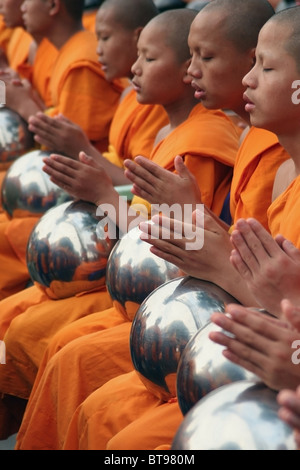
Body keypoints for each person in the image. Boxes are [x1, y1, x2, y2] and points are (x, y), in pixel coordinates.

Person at [12, 6, 240, 449]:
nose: (194, 70)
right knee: (46, 341)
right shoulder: (181, 132)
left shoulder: (204, 142)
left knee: (67, 359)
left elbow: (185, 249)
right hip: (135, 286)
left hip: (187, 318)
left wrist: (103, 195)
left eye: (205, 58)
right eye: (191, 56)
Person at [95, 3, 300, 451]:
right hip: (217, 337)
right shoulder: (276, 161)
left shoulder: (238, 145)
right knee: (87, 383)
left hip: (252, 373)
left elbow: (262, 289)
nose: (249, 78)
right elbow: (236, 252)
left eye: (264, 67)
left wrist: (106, 201)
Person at [0, 0, 128, 301]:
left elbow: (67, 150)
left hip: (98, 218)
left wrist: (25, 106)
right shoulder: (50, 49)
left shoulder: (80, 61)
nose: (7, 4)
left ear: (53, 5)